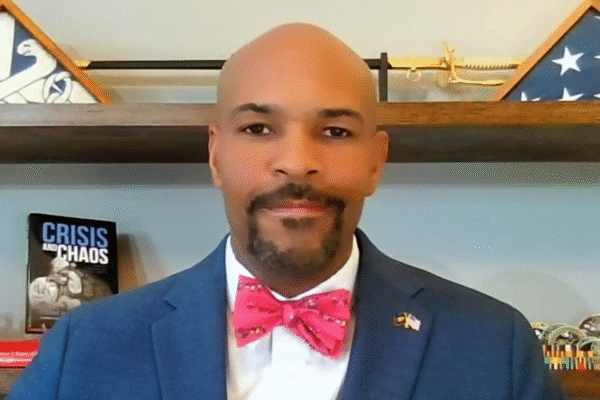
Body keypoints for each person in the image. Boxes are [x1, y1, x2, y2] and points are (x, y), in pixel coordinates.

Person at [8, 23, 566, 399]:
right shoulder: (85, 347)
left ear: (376, 161)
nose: (297, 163)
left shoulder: (495, 347)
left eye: (335, 131)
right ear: (215, 156)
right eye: (258, 128)